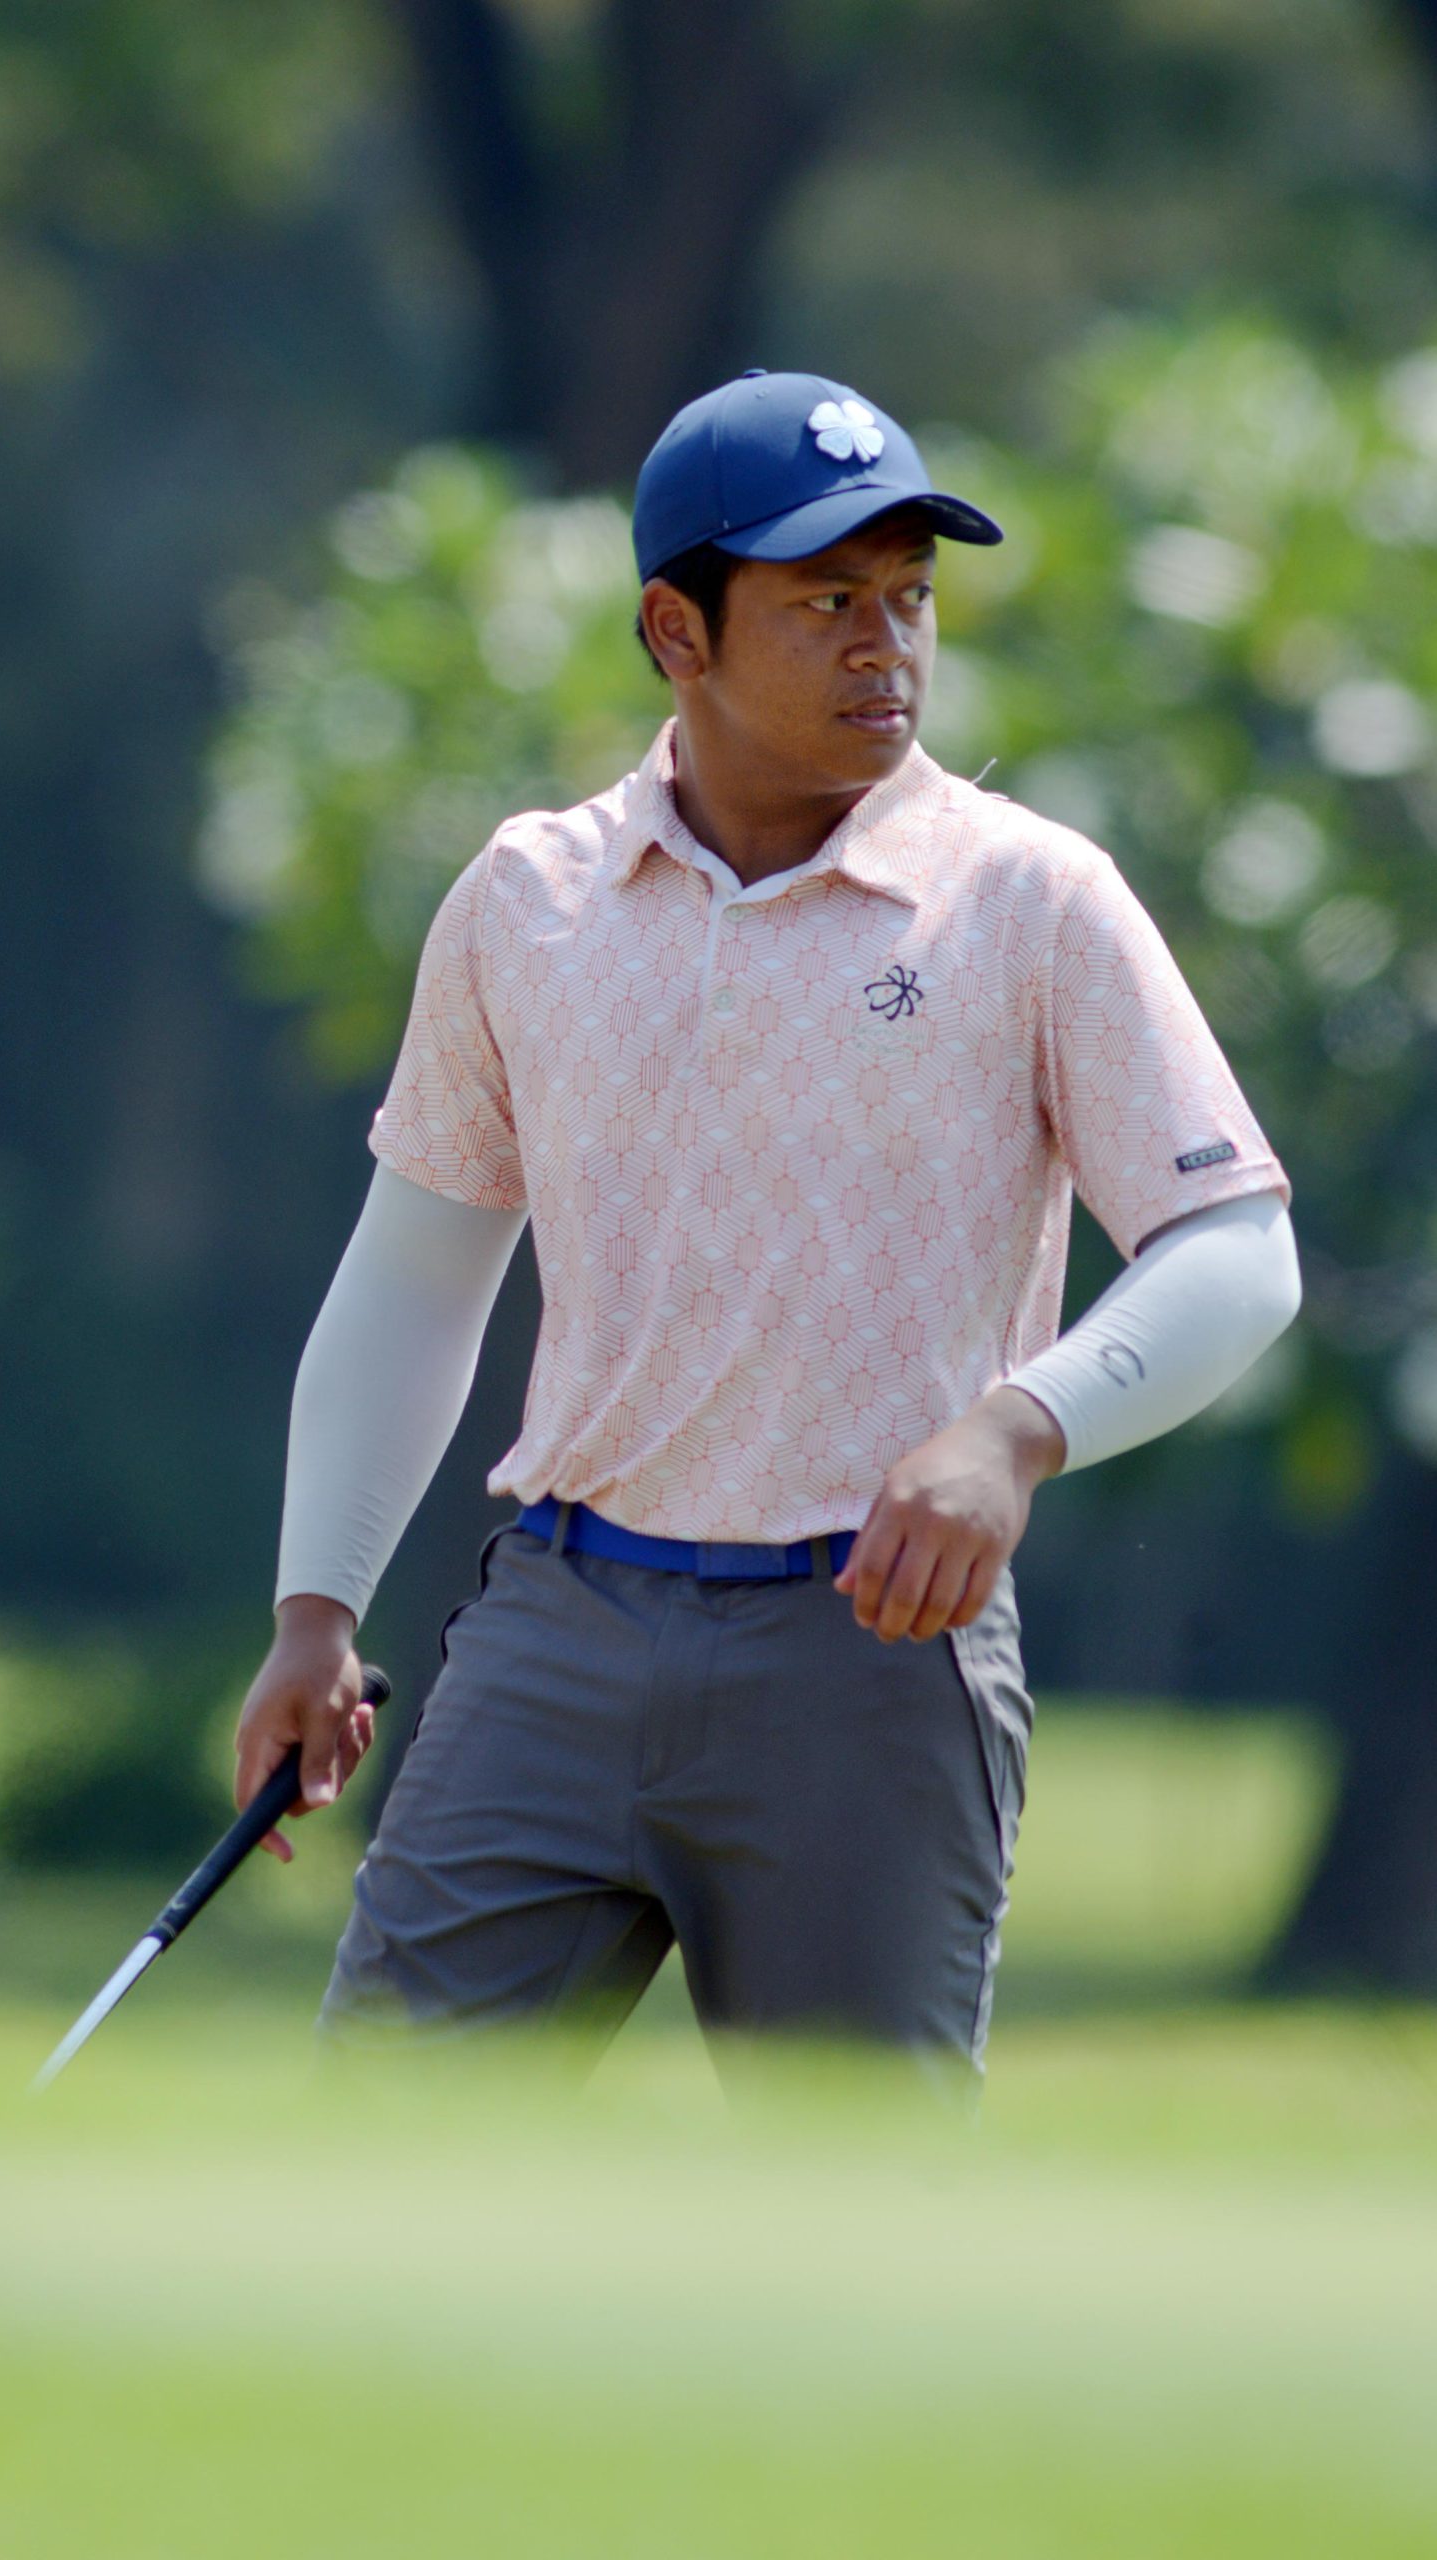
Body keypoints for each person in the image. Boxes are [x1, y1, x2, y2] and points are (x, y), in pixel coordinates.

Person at [233, 369, 1300, 2071]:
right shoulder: (529, 899)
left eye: (909, 597)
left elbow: (1236, 1249)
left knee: (860, 2204)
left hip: (873, 1652)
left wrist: (1015, 1431)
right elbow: (417, 1278)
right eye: (824, 603)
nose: (886, 646)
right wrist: (317, 1610)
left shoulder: (1029, 899)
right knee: (376, 2149)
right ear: (678, 629)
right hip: (556, 1629)